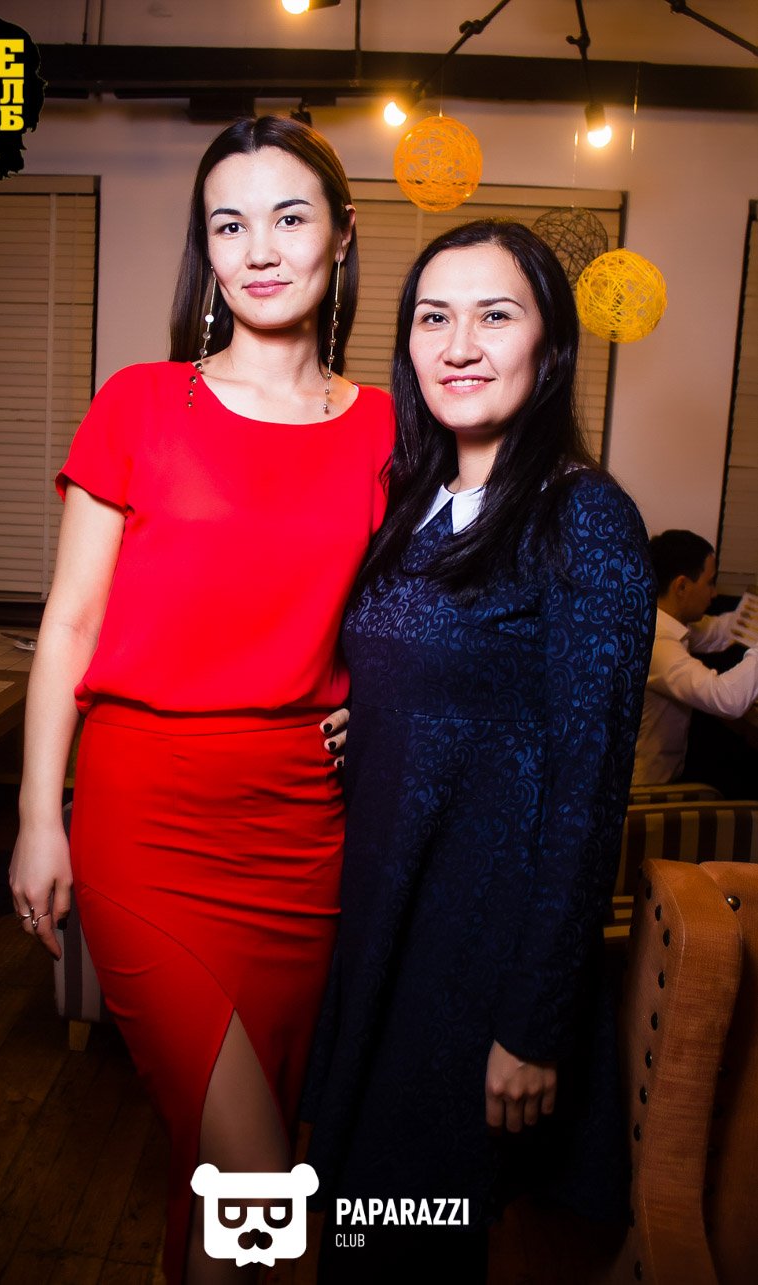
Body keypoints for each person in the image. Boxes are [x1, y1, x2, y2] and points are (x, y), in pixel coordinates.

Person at [9, 115, 394, 1284]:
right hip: (146, 820)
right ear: (206, 248)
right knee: (260, 1175)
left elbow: (420, 623)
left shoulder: (393, 428)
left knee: (236, 1155)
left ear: (341, 235)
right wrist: (37, 816)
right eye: (230, 225)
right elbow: (70, 624)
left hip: (304, 832)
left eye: (289, 217)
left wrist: (379, 703)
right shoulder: (139, 402)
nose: (259, 249)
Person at [304, 220, 655, 1281]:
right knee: (358, 1228)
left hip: (473, 959)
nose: (458, 345)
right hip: (383, 924)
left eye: (493, 315)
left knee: (403, 1245)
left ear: (548, 343)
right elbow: (453, 678)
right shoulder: (416, 501)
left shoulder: (582, 516)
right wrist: (386, 719)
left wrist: (533, 1024)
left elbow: (589, 789)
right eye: (433, 317)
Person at [631, 529, 758, 786]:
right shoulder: (658, 643)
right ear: (681, 586)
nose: (714, 593)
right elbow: (727, 699)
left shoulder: (659, 619)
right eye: (710, 582)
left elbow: (719, 632)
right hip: (645, 794)